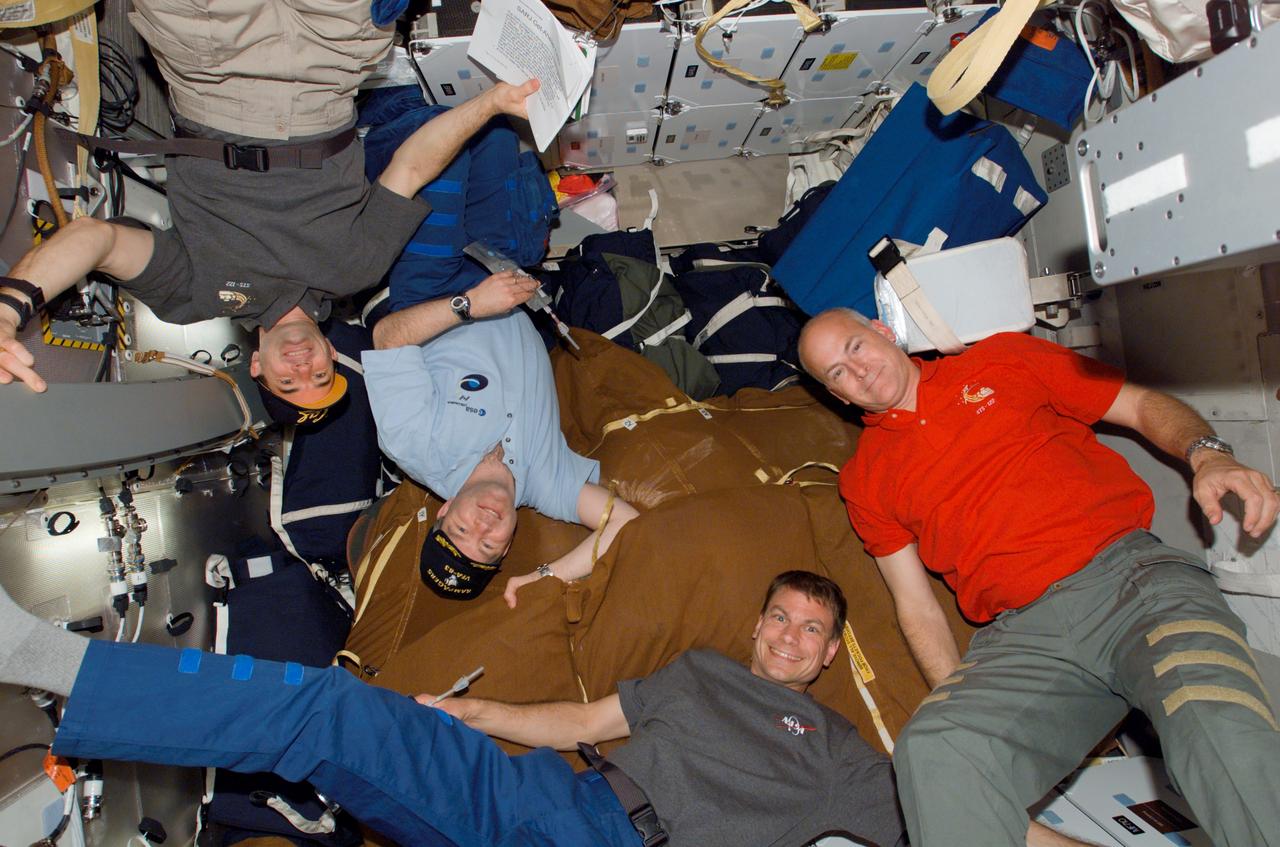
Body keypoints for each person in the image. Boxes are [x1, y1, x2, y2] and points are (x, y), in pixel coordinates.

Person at [797, 308, 1280, 847]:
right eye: (836, 373)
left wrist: (1207, 455)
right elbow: (916, 606)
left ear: (884, 331)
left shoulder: (1003, 360)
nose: (857, 373)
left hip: (1133, 584)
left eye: (855, 348)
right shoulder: (866, 479)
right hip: (1025, 637)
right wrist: (960, 700)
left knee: (1211, 716)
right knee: (936, 748)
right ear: (836, 396)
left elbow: (1141, 405)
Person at [0, 570, 907, 847]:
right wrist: (477, 719)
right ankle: (49, 659)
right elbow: (587, 724)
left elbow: (969, 816)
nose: (789, 635)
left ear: (830, 654)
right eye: (779, 616)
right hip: (547, 797)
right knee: (330, 707)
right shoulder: (701, 668)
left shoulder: (833, 747)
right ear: (757, 625)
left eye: (811, 628)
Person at [0, 0, 538, 415]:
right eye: (320, 377)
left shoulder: (192, 295)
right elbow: (412, 167)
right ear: (332, 356)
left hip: (210, 67)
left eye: (288, 381)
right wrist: (490, 103)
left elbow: (96, 240)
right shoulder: (360, 267)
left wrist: (10, 308)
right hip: (330, 70)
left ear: (256, 366)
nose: (304, 369)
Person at [361, 275, 639, 606]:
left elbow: (388, 337)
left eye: (461, 531)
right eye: (489, 546)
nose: (483, 526)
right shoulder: (548, 484)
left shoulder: (413, 445)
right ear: (508, 544)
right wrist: (545, 577)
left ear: (445, 511)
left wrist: (472, 303)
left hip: (437, 284)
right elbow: (627, 526)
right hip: (518, 282)